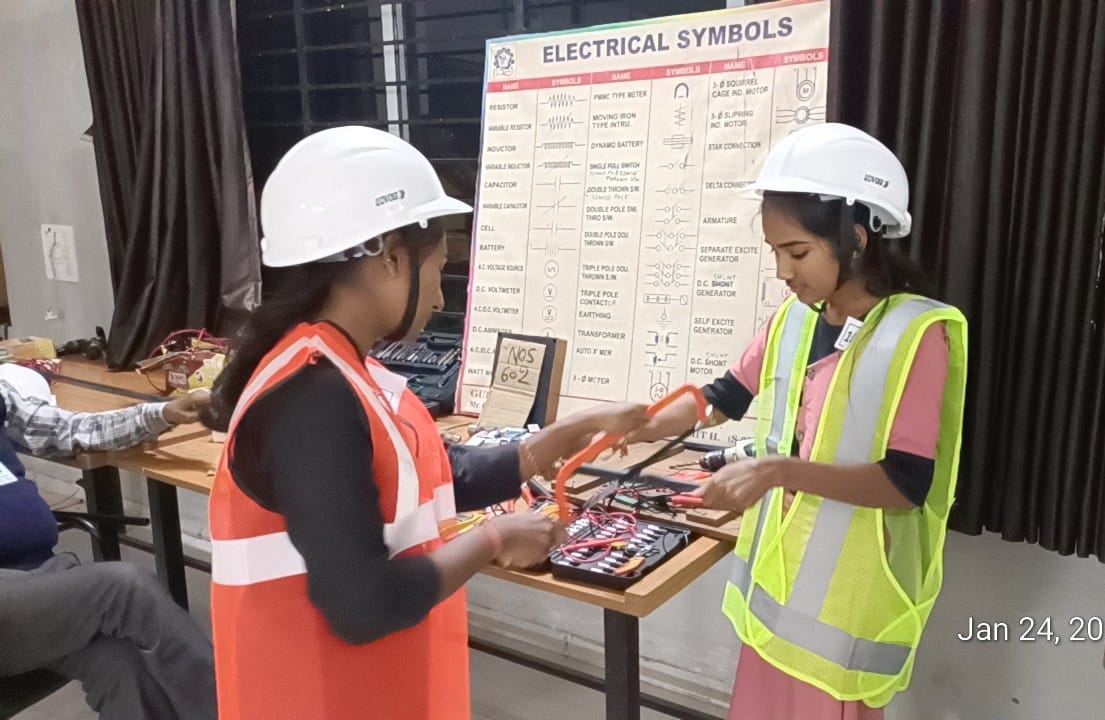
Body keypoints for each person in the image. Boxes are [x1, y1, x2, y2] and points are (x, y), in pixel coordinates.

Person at [202, 126, 648, 720]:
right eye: (438, 268)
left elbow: (429, 472)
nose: (439, 299)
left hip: (366, 693)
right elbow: (362, 607)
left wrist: (561, 438)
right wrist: (493, 540)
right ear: (390, 257)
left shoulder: (340, 367)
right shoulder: (312, 397)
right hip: (318, 699)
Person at [626, 123, 969, 718]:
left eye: (798, 252)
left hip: (843, 619)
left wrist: (776, 472)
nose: (783, 271)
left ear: (855, 239)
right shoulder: (794, 319)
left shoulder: (917, 336)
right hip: (774, 607)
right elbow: (722, 397)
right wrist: (640, 423)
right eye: (776, 253)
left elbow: (906, 484)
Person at [0, 363, 216, 720]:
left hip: (38, 577)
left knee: (122, 663)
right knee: (124, 588)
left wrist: (162, 414)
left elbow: (71, 429)